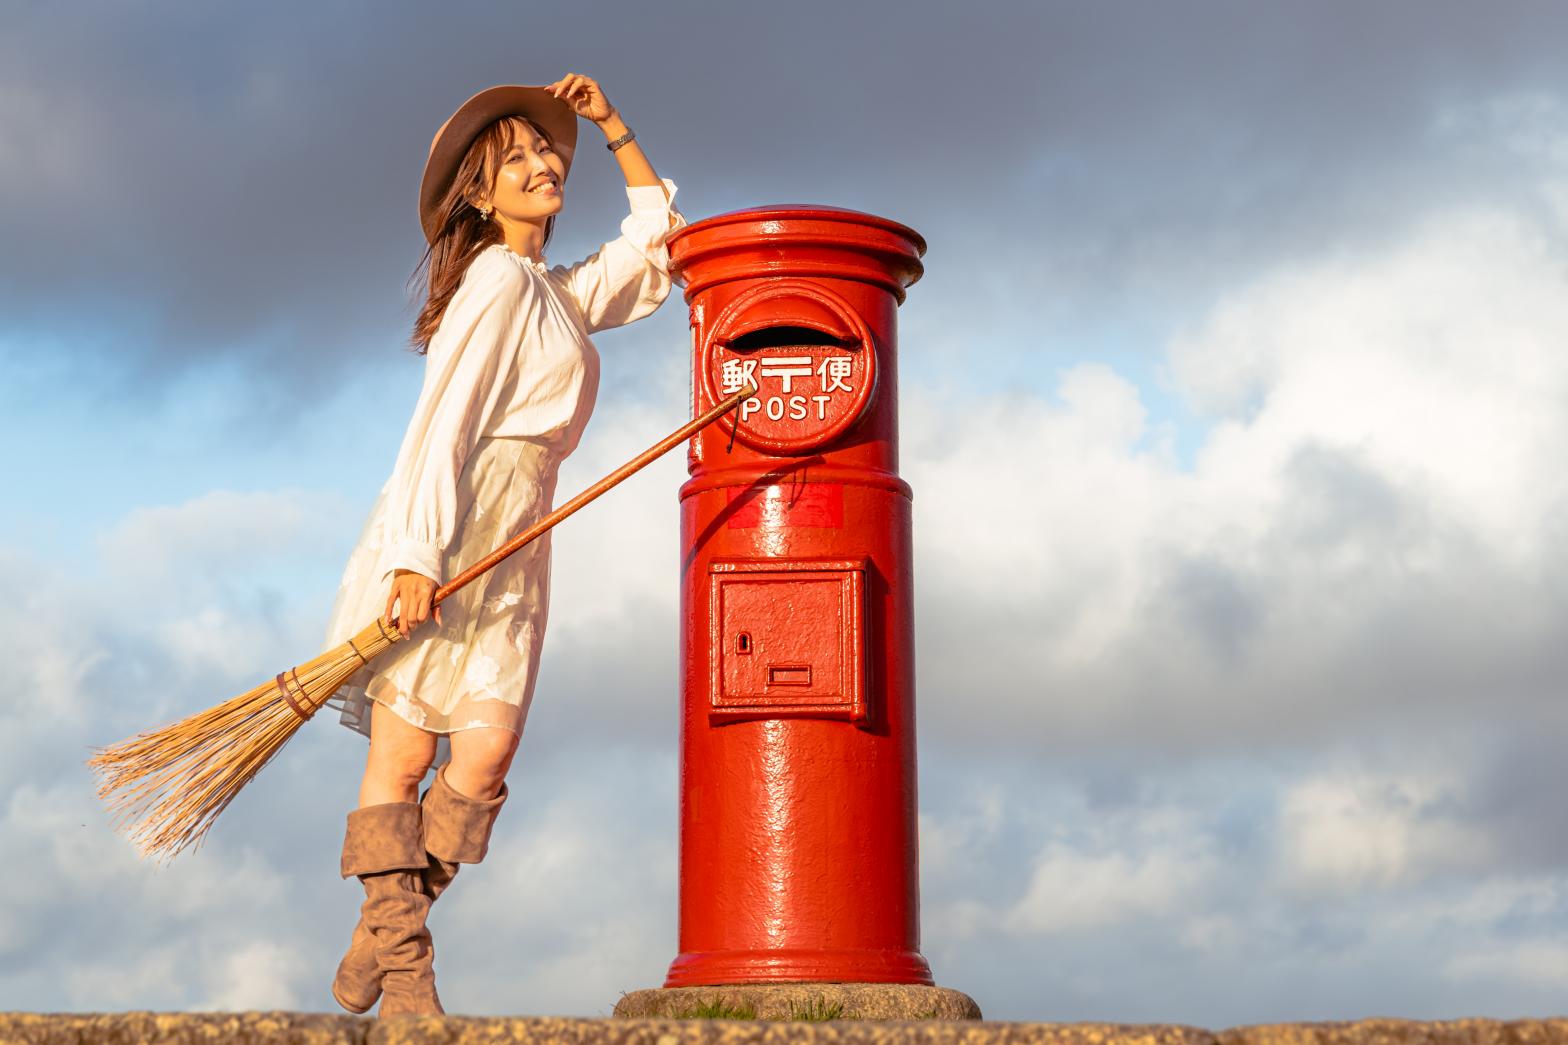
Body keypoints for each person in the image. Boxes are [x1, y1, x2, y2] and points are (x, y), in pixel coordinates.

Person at [315, 74, 687, 1018]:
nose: (542, 163)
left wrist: (611, 126)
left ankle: (377, 937)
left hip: (520, 538)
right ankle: (407, 976)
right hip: (454, 524)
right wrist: (416, 554)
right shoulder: (495, 280)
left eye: (545, 149)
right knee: (403, 760)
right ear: (480, 195)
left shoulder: (555, 294)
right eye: (516, 158)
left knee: (482, 760)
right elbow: (441, 423)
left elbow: (657, 247)